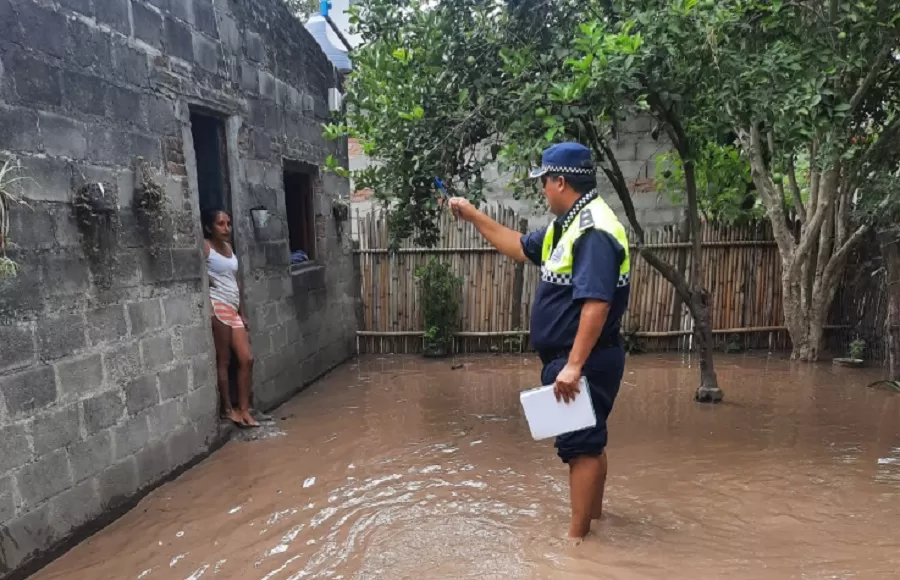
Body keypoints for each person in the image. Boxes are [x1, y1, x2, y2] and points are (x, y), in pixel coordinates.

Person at [448, 142, 630, 539]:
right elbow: (517, 246)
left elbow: (596, 304)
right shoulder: (568, 225)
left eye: (544, 182)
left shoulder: (593, 231)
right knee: (590, 441)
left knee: (580, 447)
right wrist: (473, 214)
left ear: (560, 181)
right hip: (579, 357)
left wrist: (574, 365)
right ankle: (595, 523)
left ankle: (578, 546)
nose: (542, 190)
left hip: (583, 358)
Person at [201, 208, 260, 428]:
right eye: (220, 224)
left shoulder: (229, 248)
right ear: (209, 227)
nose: (226, 228)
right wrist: (206, 277)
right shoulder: (205, 247)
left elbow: (236, 282)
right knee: (224, 360)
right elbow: (194, 266)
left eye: (228, 223)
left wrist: (242, 312)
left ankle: (243, 409)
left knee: (247, 359)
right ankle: (227, 409)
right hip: (218, 305)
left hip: (233, 308)